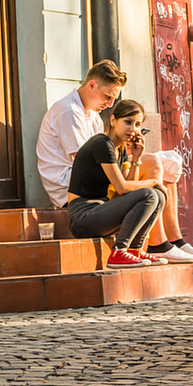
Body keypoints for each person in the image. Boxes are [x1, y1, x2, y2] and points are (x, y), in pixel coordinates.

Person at [36, 60, 193, 262]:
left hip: (94, 189)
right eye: (107, 96)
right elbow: (86, 165)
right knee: (155, 165)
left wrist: (132, 158)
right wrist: (139, 176)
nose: (110, 104)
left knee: (164, 169)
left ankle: (172, 241)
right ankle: (159, 243)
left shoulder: (92, 116)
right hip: (68, 186)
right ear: (92, 85)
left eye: (113, 99)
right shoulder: (69, 111)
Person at [67, 100, 168, 268]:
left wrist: (136, 158)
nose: (133, 129)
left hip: (100, 211)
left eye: (137, 124)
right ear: (113, 121)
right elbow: (122, 188)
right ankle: (119, 251)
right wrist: (153, 182)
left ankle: (135, 250)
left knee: (159, 196)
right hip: (82, 217)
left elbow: (129, 188)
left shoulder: (119, 148)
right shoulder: (102, 143)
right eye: (127, 122)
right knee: (150, 193)